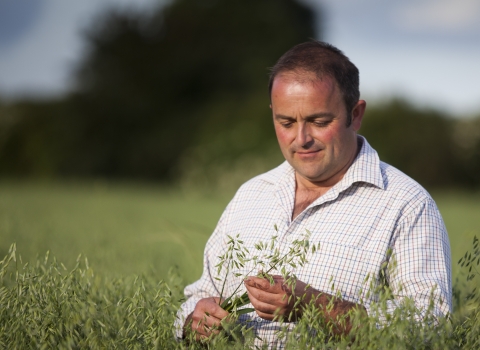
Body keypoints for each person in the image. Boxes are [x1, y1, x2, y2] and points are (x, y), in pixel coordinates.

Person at [175, 41, 452, 348]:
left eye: (319, 122)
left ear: (355, 114)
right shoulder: (251, 194)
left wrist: (317, 307)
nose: (301, 139)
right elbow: (200, 296)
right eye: (286, 122)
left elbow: (429, 326)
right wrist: (195, 321)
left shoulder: (406, 204)